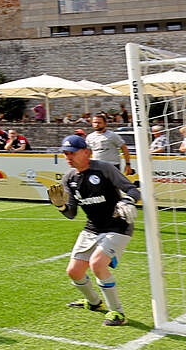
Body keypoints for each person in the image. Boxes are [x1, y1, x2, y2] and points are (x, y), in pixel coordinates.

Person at [47, 134, 142, 327]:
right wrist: (61, 207)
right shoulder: (69, 178)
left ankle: (118, 312)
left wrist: (127, 200)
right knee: (74, 271)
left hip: (118, 224)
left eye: (72, 153)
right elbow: (72, 213)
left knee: (97, 264)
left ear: (86, 152)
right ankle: (94, 303)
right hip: (93, 227)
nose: (68, 157)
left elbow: (133, 190)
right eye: (65, 153)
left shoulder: (104, 168)